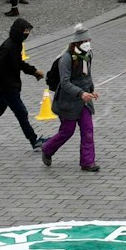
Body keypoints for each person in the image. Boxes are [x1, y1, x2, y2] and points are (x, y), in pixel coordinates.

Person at [0, 18, 45, 151]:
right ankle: (34, 140)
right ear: (18, 31)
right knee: (21, 113)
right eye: (25, 32)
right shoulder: (8, 47)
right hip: (7, 87)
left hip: (8, 85)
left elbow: (18, 63)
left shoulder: (16, 44)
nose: (27, 35)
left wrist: (33, 71)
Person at [39, 25, 99, 171]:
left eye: (89, 40)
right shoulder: (66, 58)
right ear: (78, 42)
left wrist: (91, 89)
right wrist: (81, 93)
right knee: (67, 131)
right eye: (86, 40)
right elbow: (65, 83)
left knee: (88, 130)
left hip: (84, 101)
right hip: (68, 102)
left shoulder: (88, 54)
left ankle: (87, 162)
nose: (88, 42)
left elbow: (87, 75)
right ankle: (47, 149)